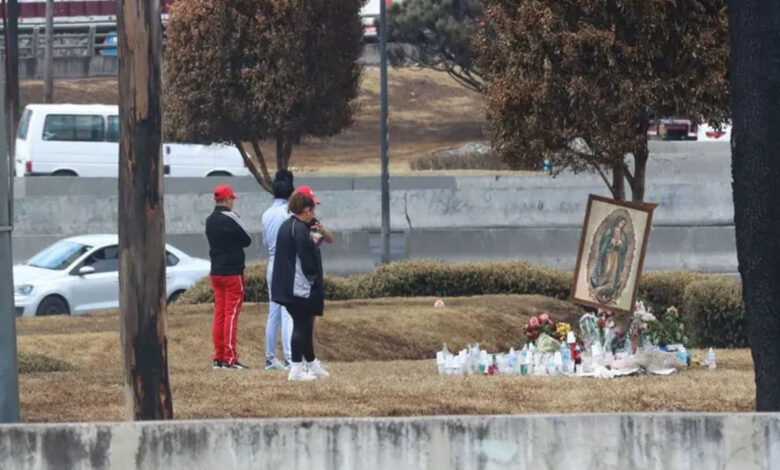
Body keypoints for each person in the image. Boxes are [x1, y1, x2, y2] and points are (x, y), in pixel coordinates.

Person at [271, 189, 332, 381]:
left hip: (284, 284)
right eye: (313, 209)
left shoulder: (287, 225)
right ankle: (296, 369)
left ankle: (311, 364)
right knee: (301, 325)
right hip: (298, 286)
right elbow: (308, 259)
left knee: (303, 324)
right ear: (306, 210)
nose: (314, 213)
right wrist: (313, 278)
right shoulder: (299, 230)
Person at [206, 184, 252, 370]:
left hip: (216, 271)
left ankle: (218, 357)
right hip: (233, 271)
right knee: (231, 314)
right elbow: (247, 238)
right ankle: (230, 357)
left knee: (220, 313)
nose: (233, 202)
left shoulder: (210, 220)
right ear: (226, 200)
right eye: (232, 199)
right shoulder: (231, 217)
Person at [261, 170, 295, 371]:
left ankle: (270, 358)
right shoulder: (288, 214)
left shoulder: (266, 214)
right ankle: (290, 358)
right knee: (288, 312)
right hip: (287, 263)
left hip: (272, 263)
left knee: (273, 312)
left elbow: (265, 242)